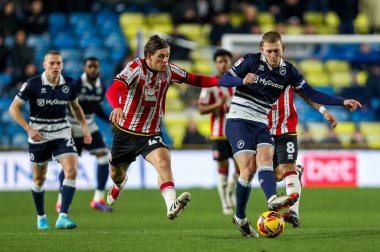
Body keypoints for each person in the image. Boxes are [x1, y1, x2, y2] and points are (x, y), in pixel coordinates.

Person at [218, 31, 362, 237]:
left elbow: (311, 93)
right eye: (269, 51)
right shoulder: (250, 61)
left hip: (261, 122)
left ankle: (271, 200)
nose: (273, 55)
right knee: (248, 171)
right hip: (239, 119)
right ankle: (240, 217)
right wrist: (241, 81)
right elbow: (223, 80)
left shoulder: (289, 72)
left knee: (265, 159)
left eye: (276, 51)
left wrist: (342, 101)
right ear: (262, 50)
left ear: (282, 49)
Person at [105, 35, 222, 221]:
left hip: (150, 132)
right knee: (116, 174)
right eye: (161, 56)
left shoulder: (169, 70)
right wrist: (116, 106)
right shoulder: (135, 68)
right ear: (148, 56)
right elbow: (113, 90)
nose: (165, 60)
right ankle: (118, 185)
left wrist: (221, 81)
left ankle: (171, 205)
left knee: (164, 162)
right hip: (125, 133)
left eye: (167, 55)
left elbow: (195, 79)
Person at [8, 50, 92, 229]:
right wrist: (28, 128)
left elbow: (76, 108)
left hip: (61, 132)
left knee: (71, 171)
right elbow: (13, 109)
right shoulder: (32, 84)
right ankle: (41, 216)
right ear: (44, 64)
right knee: (40, 179)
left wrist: (85, 129)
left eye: (58, 63)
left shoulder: (69, 84)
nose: (55, 66)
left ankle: (63, 216)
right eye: (52, 63)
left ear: (62, 65)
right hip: (39, 134)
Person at [269, 89, 338, 228]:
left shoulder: (288, 73)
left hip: (287, 130)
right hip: (264, 131)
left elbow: (307, 94)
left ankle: (293, 212)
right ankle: (297, 172)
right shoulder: (255, 72)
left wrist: (324, 111)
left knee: (288, 169)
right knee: (276, 176)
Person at [56, 57, 112, 212]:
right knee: (69, 166)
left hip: (90, 125)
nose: (93, 69)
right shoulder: (75, 85)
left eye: (95, 66)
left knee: (103, 158)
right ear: (84, 68)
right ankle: (61, 201)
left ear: (99, 68)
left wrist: (110, 121)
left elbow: (98, 109)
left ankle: (98, 199)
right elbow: (62, 105)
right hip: (72, 127)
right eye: (90, 66)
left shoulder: (101, 86)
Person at [198, 48, 239, 215]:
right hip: (218, 133)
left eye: (225, 61)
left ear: (230, 63)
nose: (223, 64)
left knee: (242, 168)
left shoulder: (237, 83)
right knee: (223, 167)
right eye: (220, 61)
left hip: (237, 132)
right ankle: (225, 203)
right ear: (216, 64)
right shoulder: (210, 84)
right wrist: (218, 105)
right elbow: (201, 108)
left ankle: (231, 188)